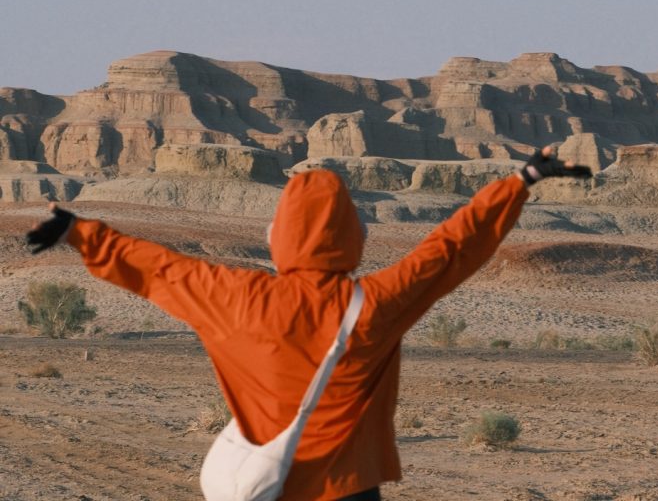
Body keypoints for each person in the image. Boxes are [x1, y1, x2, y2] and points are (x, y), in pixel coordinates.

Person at [27, 146, 591, 501]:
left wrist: (79, 232)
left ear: (279, 238)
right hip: (347, 489)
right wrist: (519, 182)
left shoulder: (235, 297)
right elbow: (451, 249)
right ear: (353, 238)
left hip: (260, 485)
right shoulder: (375, 304)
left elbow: (161, 269)